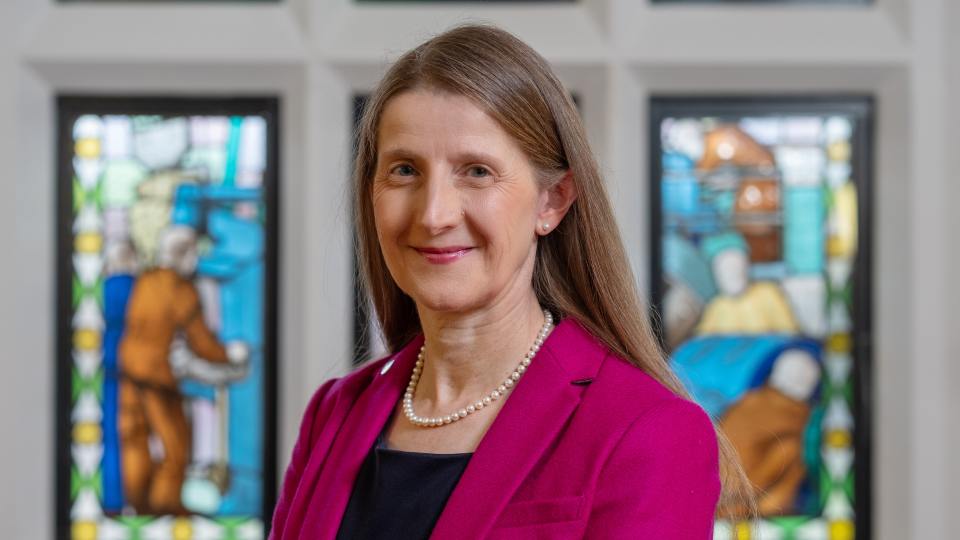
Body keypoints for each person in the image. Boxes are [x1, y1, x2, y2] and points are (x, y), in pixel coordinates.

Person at [271, 24, 750, 539]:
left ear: (553, 201)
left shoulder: (645, 430)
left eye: (476, 171)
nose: (434, 215)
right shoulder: (335, 413)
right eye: (405, 170)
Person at [117, 225, 248, 514]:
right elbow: (203, 343)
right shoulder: (179, 288)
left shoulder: (147, 281)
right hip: (156, 378)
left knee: (134, 439)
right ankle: (165, 508)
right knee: (175, 447)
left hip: (128, 371)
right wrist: (231, 355)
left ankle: (136, 504)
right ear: (184, 255)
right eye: (193, 254)